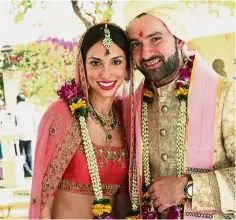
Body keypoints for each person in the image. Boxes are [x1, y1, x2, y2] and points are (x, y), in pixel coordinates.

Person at [124, 1, 235, 219]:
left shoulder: (226, 95)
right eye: (135, 44)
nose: (146, 54)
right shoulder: (131, 107)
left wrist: (188, 188)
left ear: (179, 39)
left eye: (155, 39)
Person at [29, 23, 134, 219]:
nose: (106, 73)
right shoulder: (62, 114)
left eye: (116, 62)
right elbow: (43, 199)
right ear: (82, 66)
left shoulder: (125, 117)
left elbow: (123, 200)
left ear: (128, 67)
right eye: (95, 63)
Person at [14, 94, 35, 177]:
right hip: (29, 132)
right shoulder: (29, 108)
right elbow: (33, 120)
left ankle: (27, 170)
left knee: (20, 153)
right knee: (29, 153)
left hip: (19, 134)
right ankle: (30, 170)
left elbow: (14, 122)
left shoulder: (16, 109)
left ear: (17, 100)